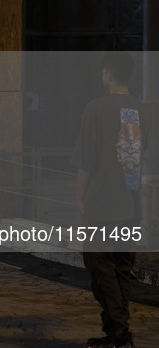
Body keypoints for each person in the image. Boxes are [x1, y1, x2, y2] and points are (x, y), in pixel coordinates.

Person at [72, 52, 149, 348]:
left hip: (103, 204)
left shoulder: (96, 108)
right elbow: (133, 157)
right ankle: (119, 331)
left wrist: (80, 195)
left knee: (99, 266)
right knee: (120, 268)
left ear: (107, 74)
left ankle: (118, 333)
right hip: (129, 203)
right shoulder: (138, 111)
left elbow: (87, 160)